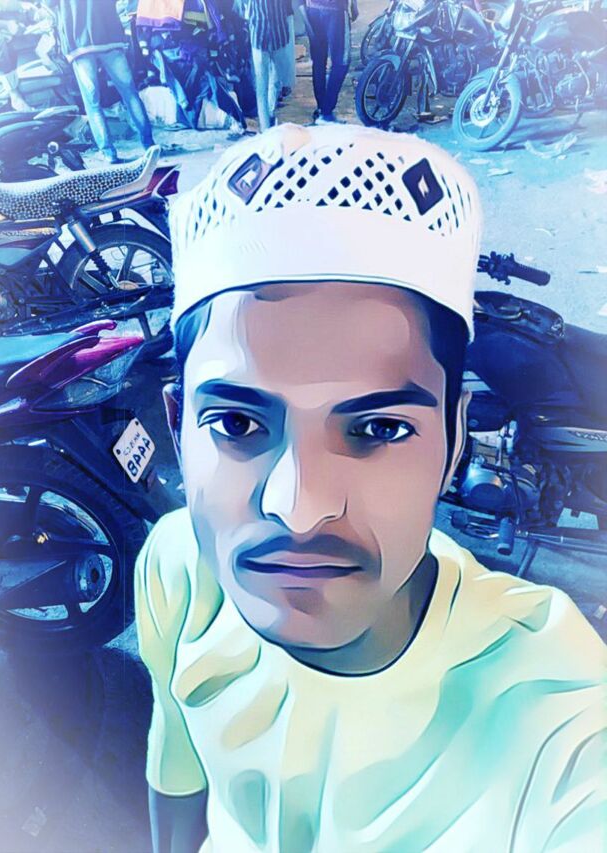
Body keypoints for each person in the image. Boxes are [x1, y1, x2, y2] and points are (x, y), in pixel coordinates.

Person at [136, 123, 606, 852]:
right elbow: (177, 771)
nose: (298, 509)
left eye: (379, 429)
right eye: (236, 423)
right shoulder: (179, 568)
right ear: (178, 430)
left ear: (454, 441)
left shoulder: (556, 712)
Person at [56, 0, 153, 163]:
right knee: (130, 95)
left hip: (80, 45)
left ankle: (109, 153)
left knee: (92, 104)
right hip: (110, 38)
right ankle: (149, 145)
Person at [299, 0, 358, 123]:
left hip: (313, 10)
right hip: (336, 11)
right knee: (341, 62)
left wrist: (303, 9)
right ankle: (326, 112)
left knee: (318, 61)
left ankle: (322, 108)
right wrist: (354, 4)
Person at [237, 0, 291, 131]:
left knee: (273, 82)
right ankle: (266, 125)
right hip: (263, 35)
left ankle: (269, 118)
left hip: (272, 34)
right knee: (264, 86)